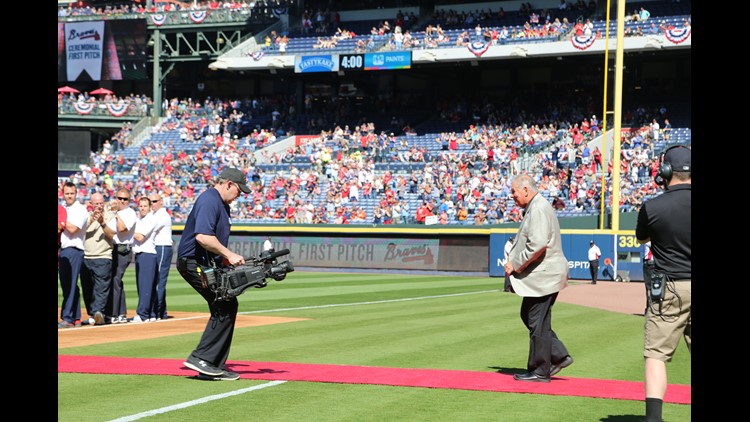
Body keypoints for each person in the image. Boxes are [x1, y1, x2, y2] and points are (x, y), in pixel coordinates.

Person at [177, 167, 251, 381]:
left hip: (205, 262)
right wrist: (229, 254)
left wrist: (225, 259)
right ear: (228, 184)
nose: (239, 196)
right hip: (194, 263)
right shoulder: (210, 200)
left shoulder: (221, 204)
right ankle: (202, 358)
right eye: (238, 190)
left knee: (226, 303)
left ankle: (212, 363)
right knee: (225, 304)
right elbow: (202, 237)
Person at [635, 146, 691, 422]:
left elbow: (642, 238)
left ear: (666, 172)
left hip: (669, 288)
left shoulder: (652, 206)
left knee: (656, 355)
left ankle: (653, 419)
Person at [504, 174, 573, 382]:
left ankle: (540, 370)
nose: (512, 196)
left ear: (526, 190)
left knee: (537, 321)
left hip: (544, 276)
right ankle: (558, 356)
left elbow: (537, 245)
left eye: (514, 191)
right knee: (531, 316)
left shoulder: (538, 207)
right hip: (544, 275)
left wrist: (515, 264)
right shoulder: (536, 206)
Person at [80, 193, 115, 326]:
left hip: (103, 256)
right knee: (87, 289)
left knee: (101, 288)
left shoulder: (110, 215)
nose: (99, 206)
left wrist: (102, 223)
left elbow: (111, 235)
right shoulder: (86, 216)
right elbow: (80, 232)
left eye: (101, 203)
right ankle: (92, 314)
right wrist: (91, 221)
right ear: (91, 204)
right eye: (96, 204)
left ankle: (99, 312)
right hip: (86, 256)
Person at [59, 182, 89, 328]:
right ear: (62, 194)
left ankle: (68, 317)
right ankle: (76, 317)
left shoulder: (80, 209)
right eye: (67, 193)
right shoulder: (64, 209)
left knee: (69, 284)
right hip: (64, 249)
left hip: (74, 249)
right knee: (68, 285)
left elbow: (72, 228)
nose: (69, 196)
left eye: (71, 193)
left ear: (76, 194)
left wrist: (61, 222)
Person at [108, 188, 137, 324]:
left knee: (116, 279)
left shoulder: (129, 212)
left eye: (125, 199)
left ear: (129, 200)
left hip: (123, 250)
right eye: (119, 198)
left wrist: (115, 213)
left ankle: (115, 313)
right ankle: (121, 313)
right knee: (116, 281)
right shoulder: (112, 212)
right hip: (112, 249)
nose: (121, 201)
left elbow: (121, 228)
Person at [132, 197, 158, 323]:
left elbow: (139, 237)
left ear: (149, 207)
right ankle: (150, 313)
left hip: (147, 254)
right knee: (146, 286)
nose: (142, 208)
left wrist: (128, 230)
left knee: (145, 286)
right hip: (141, 254)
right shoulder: (140, 219)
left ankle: (142, 314)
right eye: (140, 206)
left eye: (144, 206)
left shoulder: (151, 219)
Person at [149, 193, 173, 320]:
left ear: (160, 202)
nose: (152, 204)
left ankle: (157, 312)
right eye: (150, 201)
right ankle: (161, 312)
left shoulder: (162, 215)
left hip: (162, 246)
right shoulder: (155, 215)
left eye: (154, 201)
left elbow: (149, 228)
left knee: (159, 281)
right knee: (156, 280)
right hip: (157, 247)